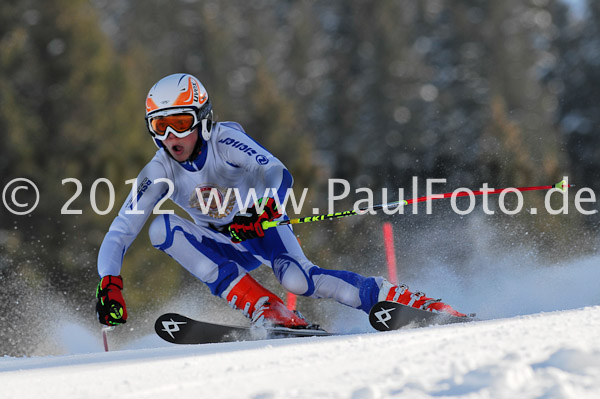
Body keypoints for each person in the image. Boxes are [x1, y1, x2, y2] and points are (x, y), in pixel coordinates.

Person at [95, 73, 466, 328]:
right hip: (222, 242)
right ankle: (267, 310)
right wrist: (109, 281)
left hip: (262, 228)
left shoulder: (225, 141)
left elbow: (276, 172)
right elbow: (120, 230)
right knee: (161, 228)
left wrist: (262, 210)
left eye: (180, 122)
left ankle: (402, 300)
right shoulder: (159, 170)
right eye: (160, 126)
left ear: (203, 120)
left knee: (299, 281)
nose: (171, 136)